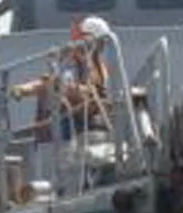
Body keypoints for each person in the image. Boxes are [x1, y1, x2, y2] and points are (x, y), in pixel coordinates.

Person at [11, 15, 114, 143]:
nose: (103, 46)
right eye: (101, 42)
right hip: (67, 123)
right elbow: (53, 84)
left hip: (87, 118)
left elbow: (99, 92)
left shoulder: (98, 66)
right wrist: (23, 89)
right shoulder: (70, 60)